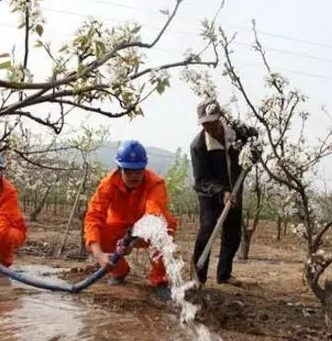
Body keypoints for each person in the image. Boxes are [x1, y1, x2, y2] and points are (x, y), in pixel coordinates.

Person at [84, 140, 177, 300]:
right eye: (128, 171)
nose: (134, 176)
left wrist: (132, 242)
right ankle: (118, 270)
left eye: (138, 171)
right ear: (119, 169)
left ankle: (159, 279)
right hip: (119, 228)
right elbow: (93, 216)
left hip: (146, 230)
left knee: (166, 226)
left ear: (144, 168)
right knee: (100, 231)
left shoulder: (156, 184)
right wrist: (98, 255)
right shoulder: (108, 184)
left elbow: (153, 216)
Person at [189, 99, 257, 286]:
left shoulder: (237, 134)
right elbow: (201, 181)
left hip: (235, 190)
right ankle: (197, 279)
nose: (210, 127)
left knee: (233, 233)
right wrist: (221, 192)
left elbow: (254, 140)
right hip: (210, 194)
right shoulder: (198, 146)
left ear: (221, 119)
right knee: (207, 229)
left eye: (213, 122)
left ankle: (224, 275)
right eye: (205, 124)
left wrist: (254, 151)